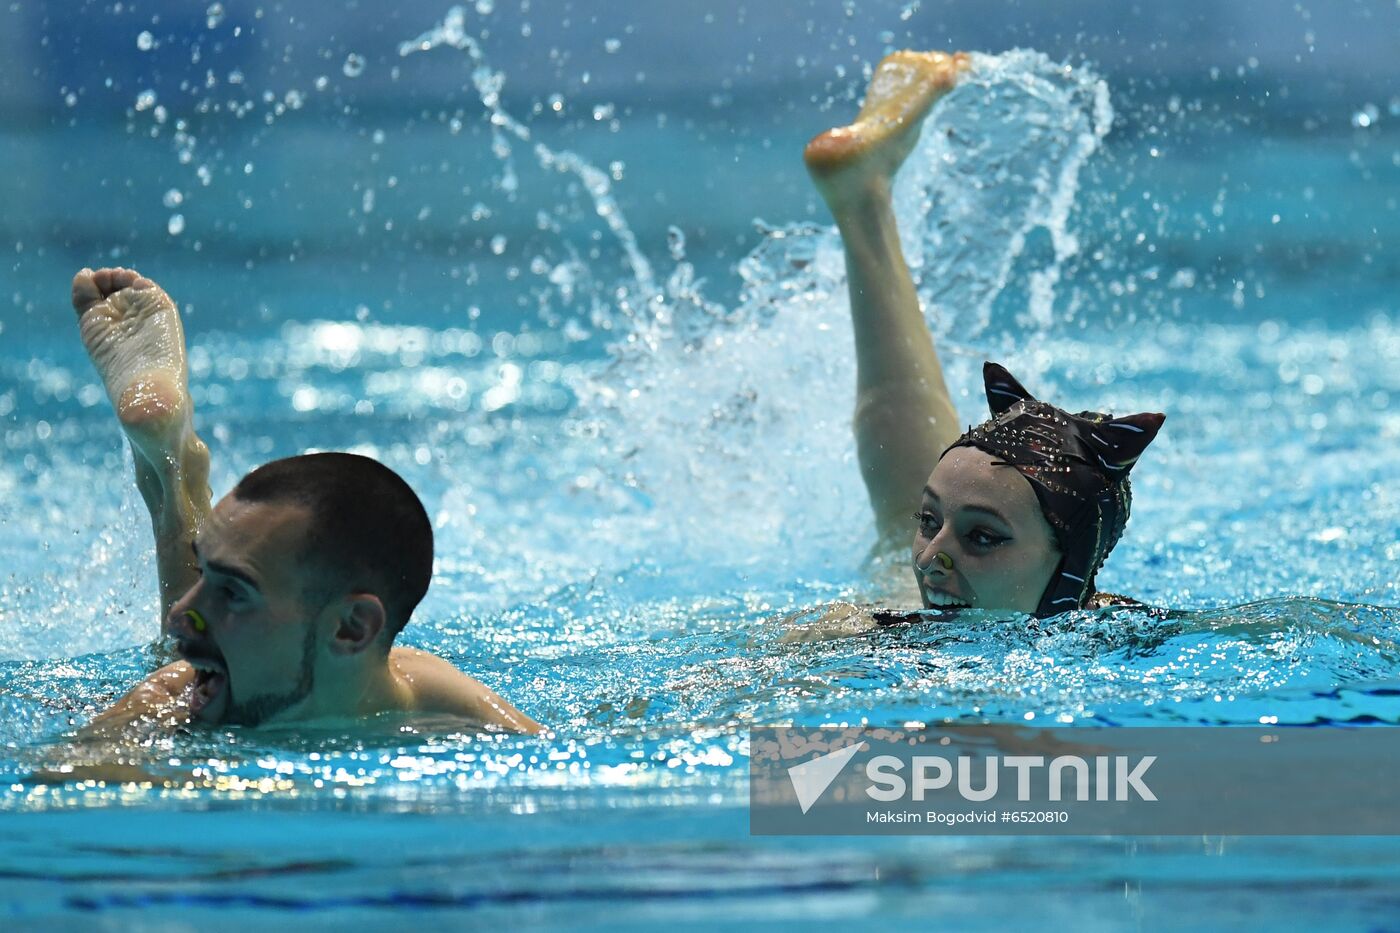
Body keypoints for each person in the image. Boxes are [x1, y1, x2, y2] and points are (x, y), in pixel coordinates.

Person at [70, 267, 540, 735]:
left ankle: (173, 464)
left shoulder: (460, 715)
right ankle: (172, 477)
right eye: (204, 574)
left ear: (351, 628)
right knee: (182, 657)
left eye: (235, 594)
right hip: (248, 677)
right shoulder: (165, 700)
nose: (178, 614)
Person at [803, 51, 1164, 619]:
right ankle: (862, 199)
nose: (930, 558)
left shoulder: (1119, 630)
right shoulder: (867, 637)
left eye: (983, 539)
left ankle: (863, 201)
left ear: (1067, 567)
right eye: (928, 522)